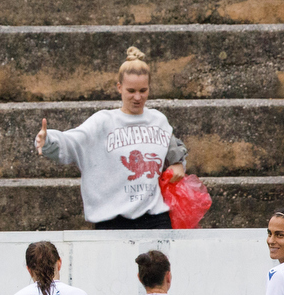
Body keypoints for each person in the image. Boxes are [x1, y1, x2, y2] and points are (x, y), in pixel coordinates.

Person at [34, 47, 188, 229]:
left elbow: (173, 148)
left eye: (143, 90)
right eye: (131, 91)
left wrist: (179, 163)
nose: (137, 97)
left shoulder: (158, 120)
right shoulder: (103, 122)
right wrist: (49, 140)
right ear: (119, 87)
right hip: (112, 221)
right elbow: (74, 142)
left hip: (155, 219)